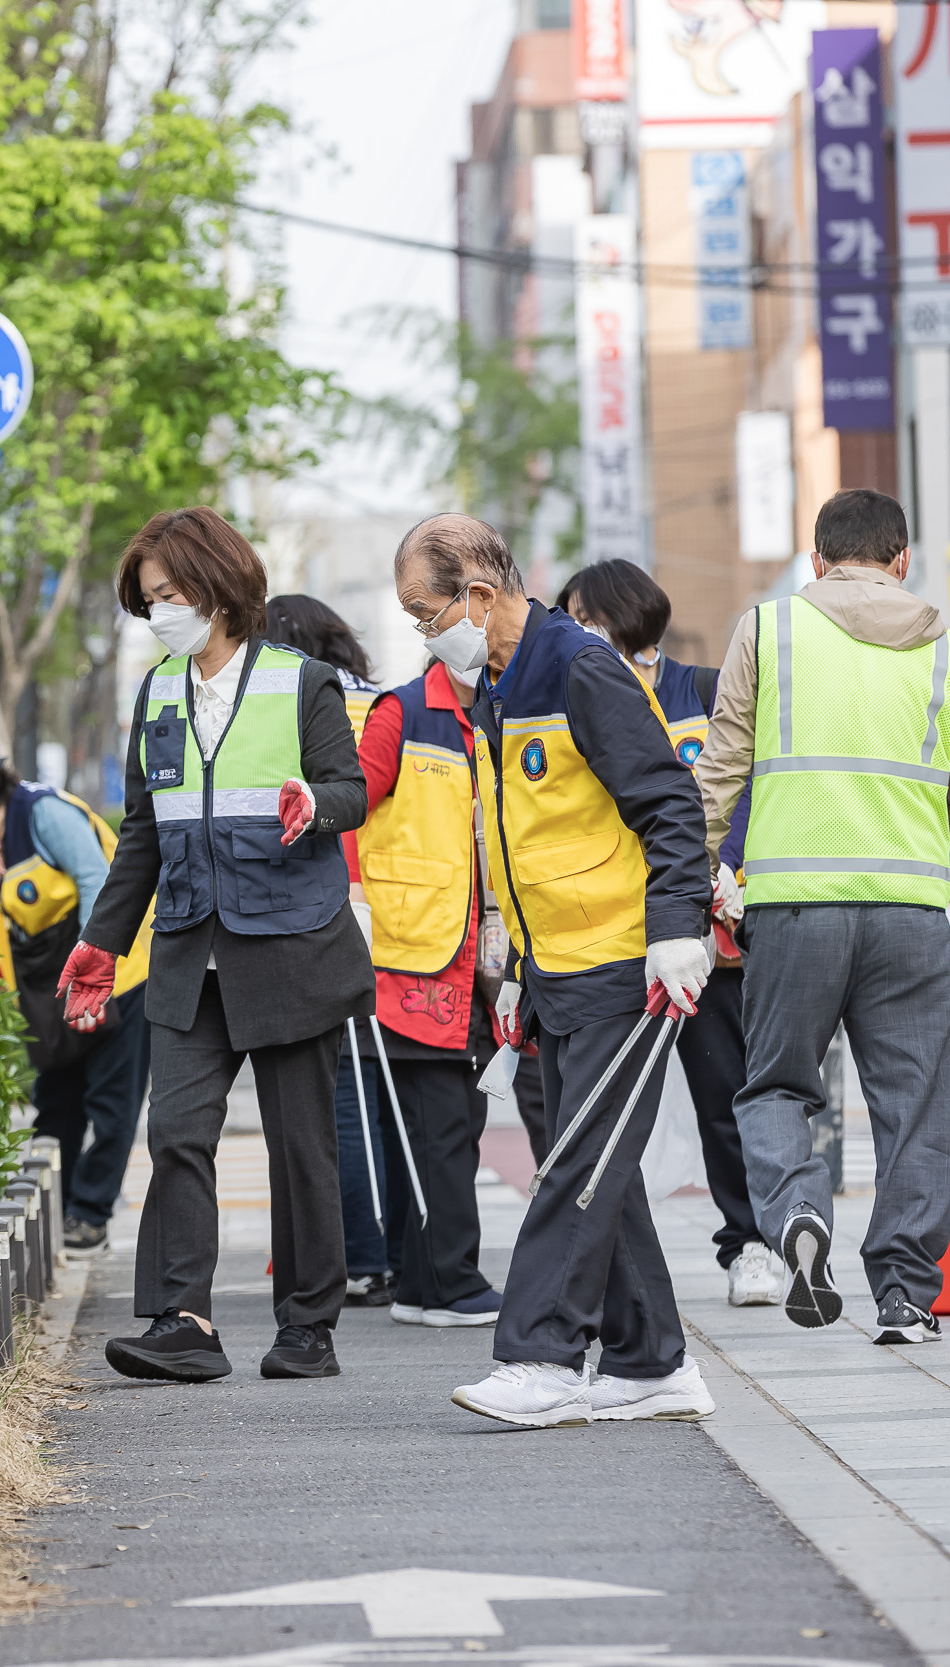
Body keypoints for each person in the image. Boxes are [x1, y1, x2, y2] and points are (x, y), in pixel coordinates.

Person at [394, 513, 717, 1428]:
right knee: (598, 1162)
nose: (426, 633)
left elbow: (667, 803)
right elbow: (527, 841)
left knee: (578, 1160)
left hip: (626, 962)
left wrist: (675, 930)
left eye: (427, 613)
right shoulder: (497, 686)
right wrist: (518, 971)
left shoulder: (579, 667)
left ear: (481, 596)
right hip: (560, 967)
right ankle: (653, 1360)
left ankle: (539, 1353)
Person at [60, 508, 373, 1384]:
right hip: (188, 952)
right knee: (176, 1133)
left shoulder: (301, 682)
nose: (158, 612)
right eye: (149, 599)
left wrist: (317, 804)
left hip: (290, 945)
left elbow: (349, 788)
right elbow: (141, 833)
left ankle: (308, 1325)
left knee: (300, 1143)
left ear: (218, 588)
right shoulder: (157, 693)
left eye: (168, 594)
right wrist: (101, 945)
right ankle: (183, 1321)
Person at [692, 489, 950, 1348]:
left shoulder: (771, 628)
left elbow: (721, 769)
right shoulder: (949, 649)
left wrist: (691, 873)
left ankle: (795, 1221)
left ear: (818, 559)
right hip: (909, 910)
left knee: (778, 1083)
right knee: (914, 1102)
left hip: (793, 907)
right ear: (902, 559)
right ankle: (903, 1294)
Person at [554, 560, 780, 1309]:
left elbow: (751, 782)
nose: (575, 631)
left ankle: (749, 1241)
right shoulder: (571, 697)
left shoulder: (704, 690)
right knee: (609, 1113)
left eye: (586, 617)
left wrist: (729, 865)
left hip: (704, 931)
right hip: (612, 936)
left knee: (725, 1090)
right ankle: (614, 1279)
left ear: (626, 616)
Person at [0, 741, 151, 1253]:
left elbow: (96, 880)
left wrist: (95, 975)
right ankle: (58, 1212)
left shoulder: (43, 813)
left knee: (111, 1101)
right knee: (56, 1099)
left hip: (120, 972)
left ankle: (90, 1215)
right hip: (59, 992)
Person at [347, 645, 506, 1329]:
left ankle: (420, 1279)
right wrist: (352, 900)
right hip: (413, 954)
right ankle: (452, 1280)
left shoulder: (509, 714)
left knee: (457, 1121)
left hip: (480, 953)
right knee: (439, 1123)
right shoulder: (403, 713)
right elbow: (348, 806)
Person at [267, 595, 401, 1309]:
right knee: (384, 1090)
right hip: (411, 915)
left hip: (323, 909)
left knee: (338, 1094)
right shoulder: (386, 705)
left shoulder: (284, 702)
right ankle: (393, 1248)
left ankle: (357, 1253)